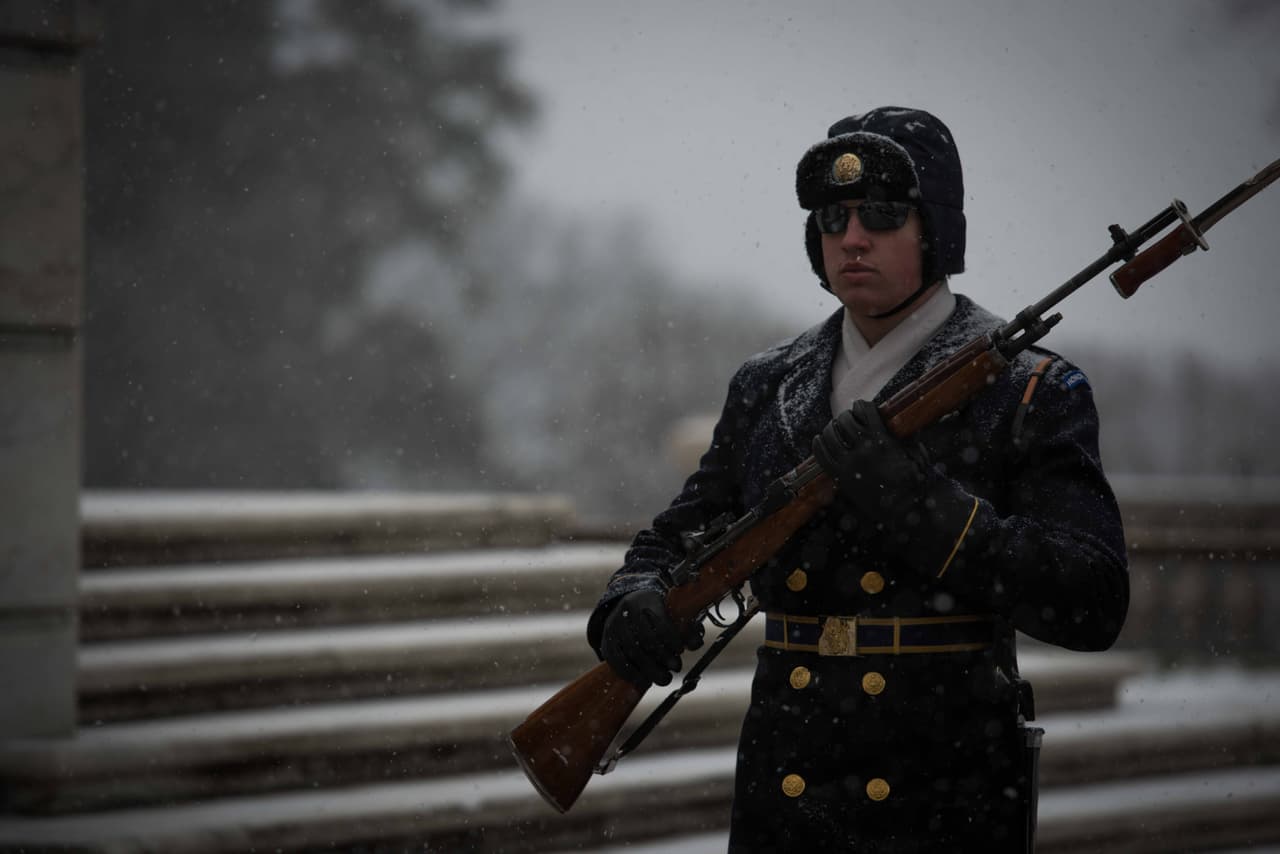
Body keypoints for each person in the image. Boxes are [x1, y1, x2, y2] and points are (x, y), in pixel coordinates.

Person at [586, 106, 1129, 852]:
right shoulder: (767, 383)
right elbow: (679, 531)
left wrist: (918, 505)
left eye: (882, 213)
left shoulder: (1028, 388)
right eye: (832, 216)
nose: (851, 236)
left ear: (935, 228)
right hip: (789, 772)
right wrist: (632, 600)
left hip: (943, 786)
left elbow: (1091, 600)